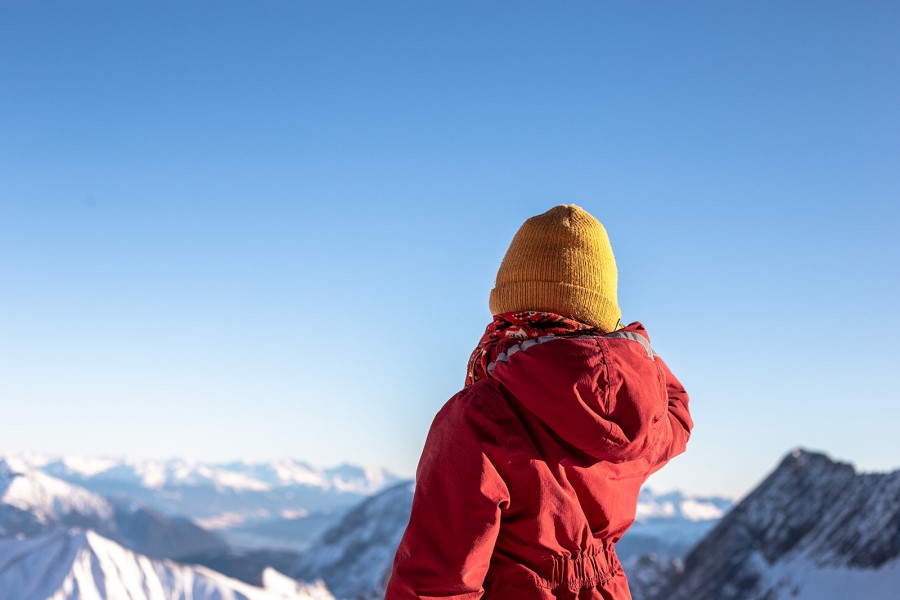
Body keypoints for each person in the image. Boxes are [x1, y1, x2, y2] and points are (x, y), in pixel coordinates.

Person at [385, 204, 693, 599]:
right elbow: (677, 408)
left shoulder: (480, 415)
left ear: (508, 304)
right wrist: (628, 352)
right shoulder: (641, 415)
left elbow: (438, 584)